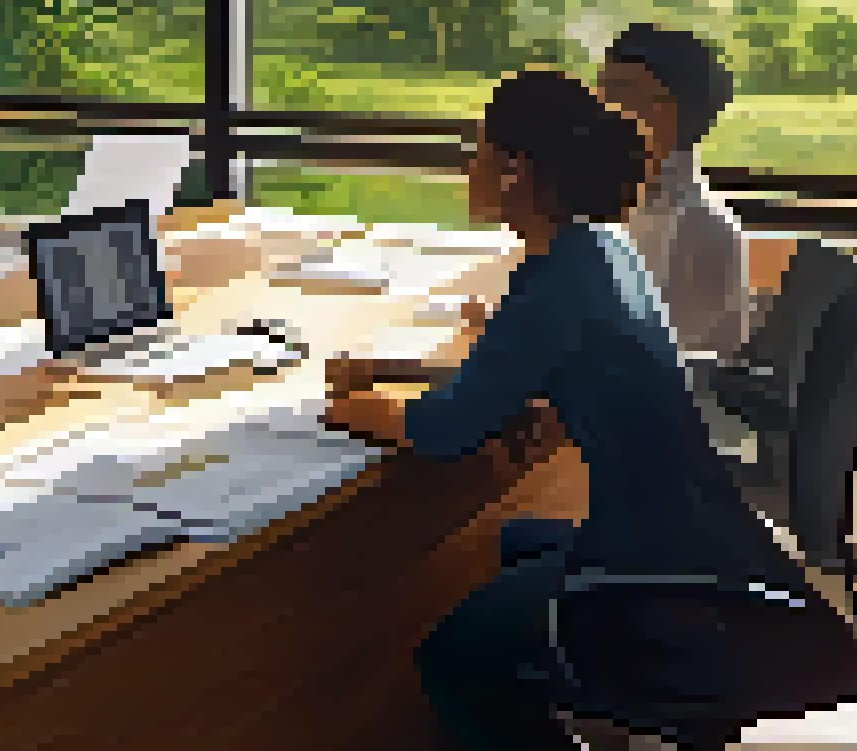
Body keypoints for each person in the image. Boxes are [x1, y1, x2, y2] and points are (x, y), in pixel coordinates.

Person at [323, 69, 821, 751]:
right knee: (514, 541)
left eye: (480, 152)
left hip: (658, 559)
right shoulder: (596, 250)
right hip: (698, 530)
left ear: (513, 172)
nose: (469, 168)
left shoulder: (558, 282)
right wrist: (396, 371)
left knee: (451, 660)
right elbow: (512, 366)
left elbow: (441, 431)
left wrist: (356, 407)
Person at [598, 23, 751, 366]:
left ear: (666, 110)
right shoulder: (639, 197)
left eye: (616, 90)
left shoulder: (691, 223)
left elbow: (646, 362)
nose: (597, 105)